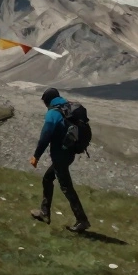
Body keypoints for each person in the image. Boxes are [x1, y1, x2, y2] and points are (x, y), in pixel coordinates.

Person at [29, 87, 90, 233]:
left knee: (66, 187)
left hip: (60, 155)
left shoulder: (53, 113)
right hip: (70, 152)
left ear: (47, 100)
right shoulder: (69, 107)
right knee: (48, 179)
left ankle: (82, 220)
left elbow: (46, 136)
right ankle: (44, 213)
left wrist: (36, 156)